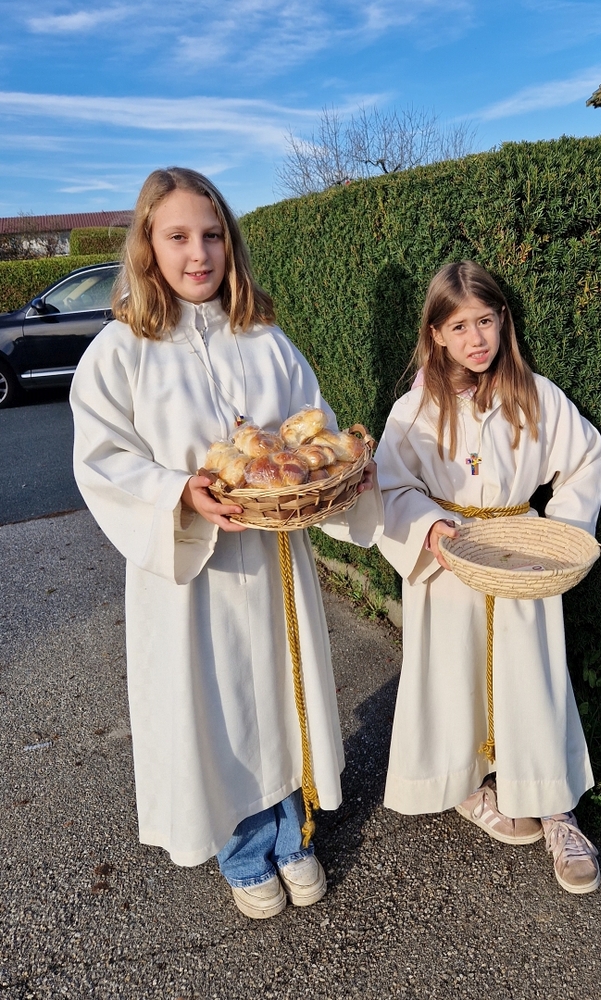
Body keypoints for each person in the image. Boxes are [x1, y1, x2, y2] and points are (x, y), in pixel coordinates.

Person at [70, 167, 382, 920]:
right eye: (177, 236)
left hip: (272, 563)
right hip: (192, 570)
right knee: (214, 709)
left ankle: (292, 834)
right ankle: (243, 851)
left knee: (278, 693)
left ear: (230, 244)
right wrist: (179, 491)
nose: (198, 253)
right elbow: (102, 458)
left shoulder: (265, 339)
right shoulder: (122, 351)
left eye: (211, 235)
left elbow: (313, 429)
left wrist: (337, 472)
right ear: (148, 245)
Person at [374, 261, 601, 894]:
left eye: (485, 320)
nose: (476, 338)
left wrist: (558, 535)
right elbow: (388, 484)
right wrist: (426, 524)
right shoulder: (417, 409)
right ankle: (466, 784)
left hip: (520, 557)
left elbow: (586, 457)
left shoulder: (534, 394)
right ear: (436, 334)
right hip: (448, 557)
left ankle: (555, 806)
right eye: (459, 326)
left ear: (503, 320)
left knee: (532, 678)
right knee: (453, 674)